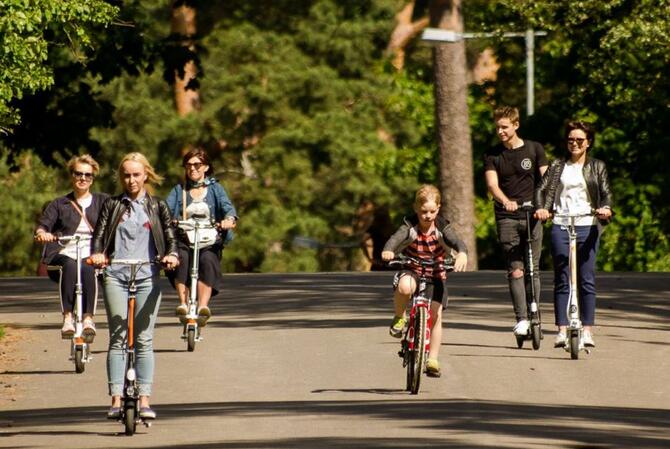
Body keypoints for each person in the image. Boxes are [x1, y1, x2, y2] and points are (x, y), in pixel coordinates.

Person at [89, 152, 179, 421]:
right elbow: (99, 236)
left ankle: (145, 399)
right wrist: (98, 255)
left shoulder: (158, 206)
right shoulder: (112, 205)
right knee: (117, 336)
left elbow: (170, 238)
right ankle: (116, 399)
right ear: (121, 177)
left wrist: (171, 255)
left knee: (143, 339)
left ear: (146, 175)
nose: (131, 180)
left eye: (136, 174)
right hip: (116, 273)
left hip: (147, 275)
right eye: (126, 175)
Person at [535, 120, 612, 348]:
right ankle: (561, 329)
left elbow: (606, 193)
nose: (575, 144)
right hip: (561, 223)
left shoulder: (597, 166)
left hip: (587, 224)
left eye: (580, 140)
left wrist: (605, 208)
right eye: (571, 140)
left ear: (588, 143)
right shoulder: (558, 166)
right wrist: (542, 208)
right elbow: (541, 189)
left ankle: (587, 331)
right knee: (562, 278)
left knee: (586, 278)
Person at [381, 185, 468, 378]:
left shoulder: (442, 226)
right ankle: (399, 316)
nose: (427, 216)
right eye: (423, 212)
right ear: (415, 209)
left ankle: (433, 359)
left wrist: (462, 253)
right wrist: (388, 250)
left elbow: (457, 241)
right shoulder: (409, 226)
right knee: (404, 288)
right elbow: (395, 239)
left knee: (435, 315)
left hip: (436, 272)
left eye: (432, 211)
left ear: (438, 208)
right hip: (412, 268)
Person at [484, 106, 548, 337]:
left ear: (516, 125)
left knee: (534, 268)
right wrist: (505, 201)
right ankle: (521, 319)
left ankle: (535, 314)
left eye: (505, 127)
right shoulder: (493, 154)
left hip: (532, 214)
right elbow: (492, 185)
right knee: (516, 270)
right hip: (507, 217)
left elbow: (546, 179)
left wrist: (543, 207)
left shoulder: (534, 149)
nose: (500, 131)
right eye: (498, 127)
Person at [34, 155, 108, 341]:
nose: (83, 178)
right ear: (71, 176)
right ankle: (67, 317)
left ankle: (88, 318)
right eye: (78, 174)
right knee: (71, 265)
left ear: (92, 178)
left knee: (87, 266)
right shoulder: (59, 204)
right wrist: (43, 233)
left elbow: (118, 218)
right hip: (63, 252)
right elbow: (44, 225)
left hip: (91, 253)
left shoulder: (103, 201)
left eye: (88, 175)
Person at [165, 148, 237, 326]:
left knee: (208, 260)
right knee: (180, 259)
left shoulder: (216, 189)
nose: (192, 169)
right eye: (188, 165)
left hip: (208, 239)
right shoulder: (179, 190)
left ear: (206, 167)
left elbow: (228, 208)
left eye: (197, 165)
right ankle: (183, 303)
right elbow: (165, 209)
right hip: (184, 238)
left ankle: (203, 307)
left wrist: (229, 219)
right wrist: (168, 220)